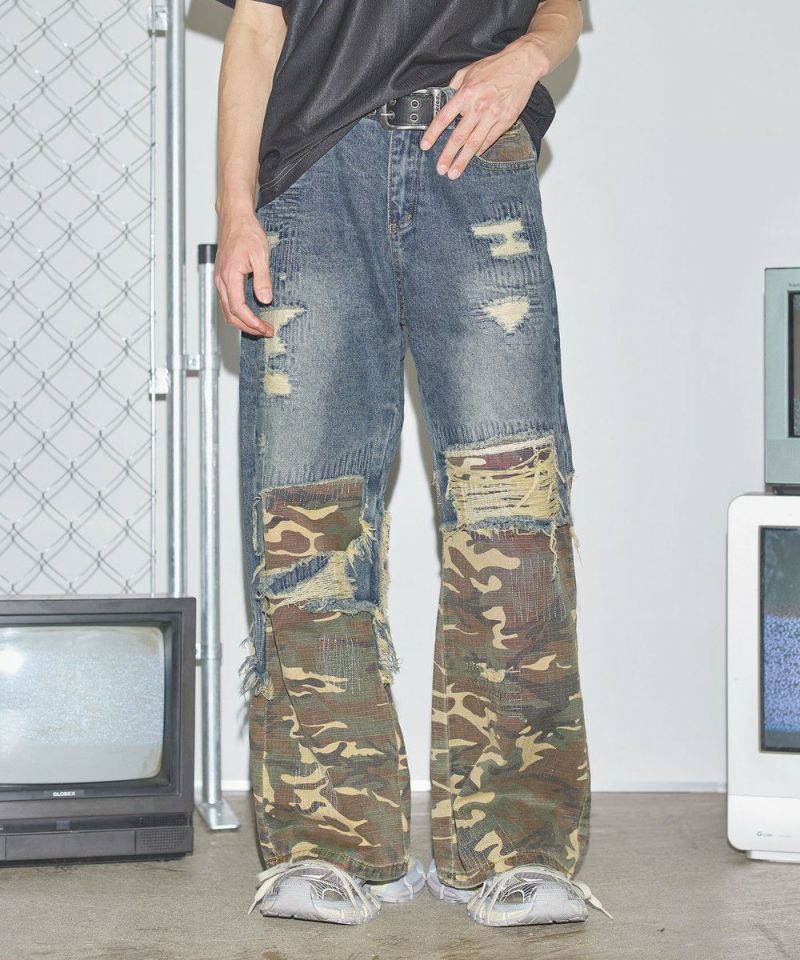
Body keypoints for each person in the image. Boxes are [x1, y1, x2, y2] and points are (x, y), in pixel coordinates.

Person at [213, 0, 611, 928]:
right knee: (306, 519)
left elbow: (566, 7)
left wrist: (528, 56)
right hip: (311, 177)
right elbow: (258, 27)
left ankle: (513, 847)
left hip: (476, 155)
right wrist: (235, 210)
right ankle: (332, 845)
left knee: (512, 512)